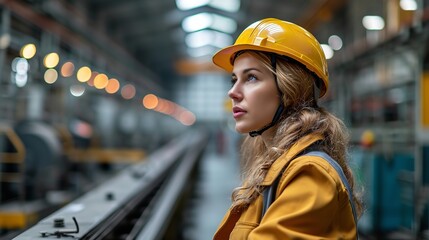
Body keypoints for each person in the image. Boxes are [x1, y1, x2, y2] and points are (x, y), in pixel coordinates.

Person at [211, 18, 363, 239]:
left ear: (290, 88)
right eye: (234, 79)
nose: (232, 92)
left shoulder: (310, 173)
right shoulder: (276, 165)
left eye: (251, 77)